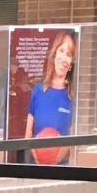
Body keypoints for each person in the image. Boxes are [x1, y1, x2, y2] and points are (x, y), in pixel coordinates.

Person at [24, 30, 76, 165]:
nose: (63, 58)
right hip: (36, 167)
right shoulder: (38, 91)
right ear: (54, 54)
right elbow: (28, 134)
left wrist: (57, 156)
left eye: (69, 54)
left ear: (71, 64)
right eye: (61, 51)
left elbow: (74, 138)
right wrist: (36, 155)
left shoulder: (72, 96)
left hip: (61, 168)